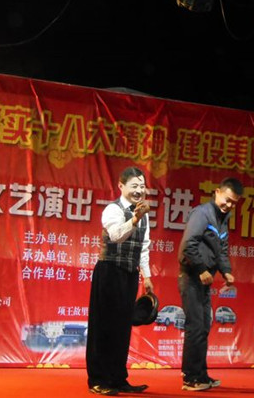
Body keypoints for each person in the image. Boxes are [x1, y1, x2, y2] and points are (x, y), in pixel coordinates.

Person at [86, 166, 155, 396]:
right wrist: (135, 218)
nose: (139, 191)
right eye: (134, 186)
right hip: (109, 271)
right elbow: (116, 236)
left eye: (142, 186)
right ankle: (98, 379)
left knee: (122, 328)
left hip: (130, 274)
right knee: (103, 327)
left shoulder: (144, 215)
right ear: (121, 186)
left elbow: (143, 247)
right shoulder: (112, 210)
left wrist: (147, 276)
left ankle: (118, 379)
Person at [177, 177, 244, 391]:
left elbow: (221, 250)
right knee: (196, 327)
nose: (229, 205)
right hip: (191, 277)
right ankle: (190, 377)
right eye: (227, 200)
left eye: (234, 202)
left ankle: (201, 374)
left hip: (205, 281)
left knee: (204, 326)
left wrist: (226, 271)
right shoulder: (202, 213)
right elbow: (188, 245)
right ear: (217, 192)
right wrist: (201, 269)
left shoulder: (223, 218)